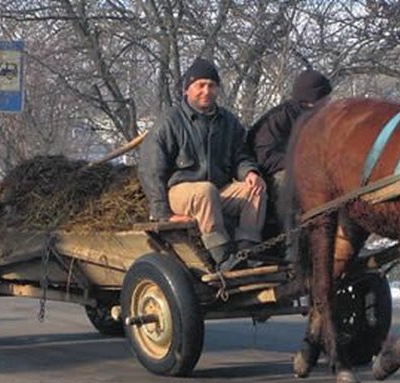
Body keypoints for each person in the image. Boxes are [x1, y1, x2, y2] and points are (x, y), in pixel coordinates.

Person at [138, 57, 267, 271]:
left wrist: (249, 173)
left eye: (212, 85)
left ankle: (247, 251)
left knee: (255, 189)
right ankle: (223, 257)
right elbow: (151, 169)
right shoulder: (170, 122)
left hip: (217, 191)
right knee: (205, 191)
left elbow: (241, 156)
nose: (206, 91)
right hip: (180, 192)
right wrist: (163, 213)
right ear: (187, 89)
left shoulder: (228, 121)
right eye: (200, 85)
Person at [245, 69, 332, 221]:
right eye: (325, 97)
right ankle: (288, 233)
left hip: (308, 169)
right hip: (270, 175)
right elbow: (265, 157)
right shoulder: (278, 118)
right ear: (314, 98)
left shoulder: (320, 118)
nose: (329, 101)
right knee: (289, 182)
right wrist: (302, 164)